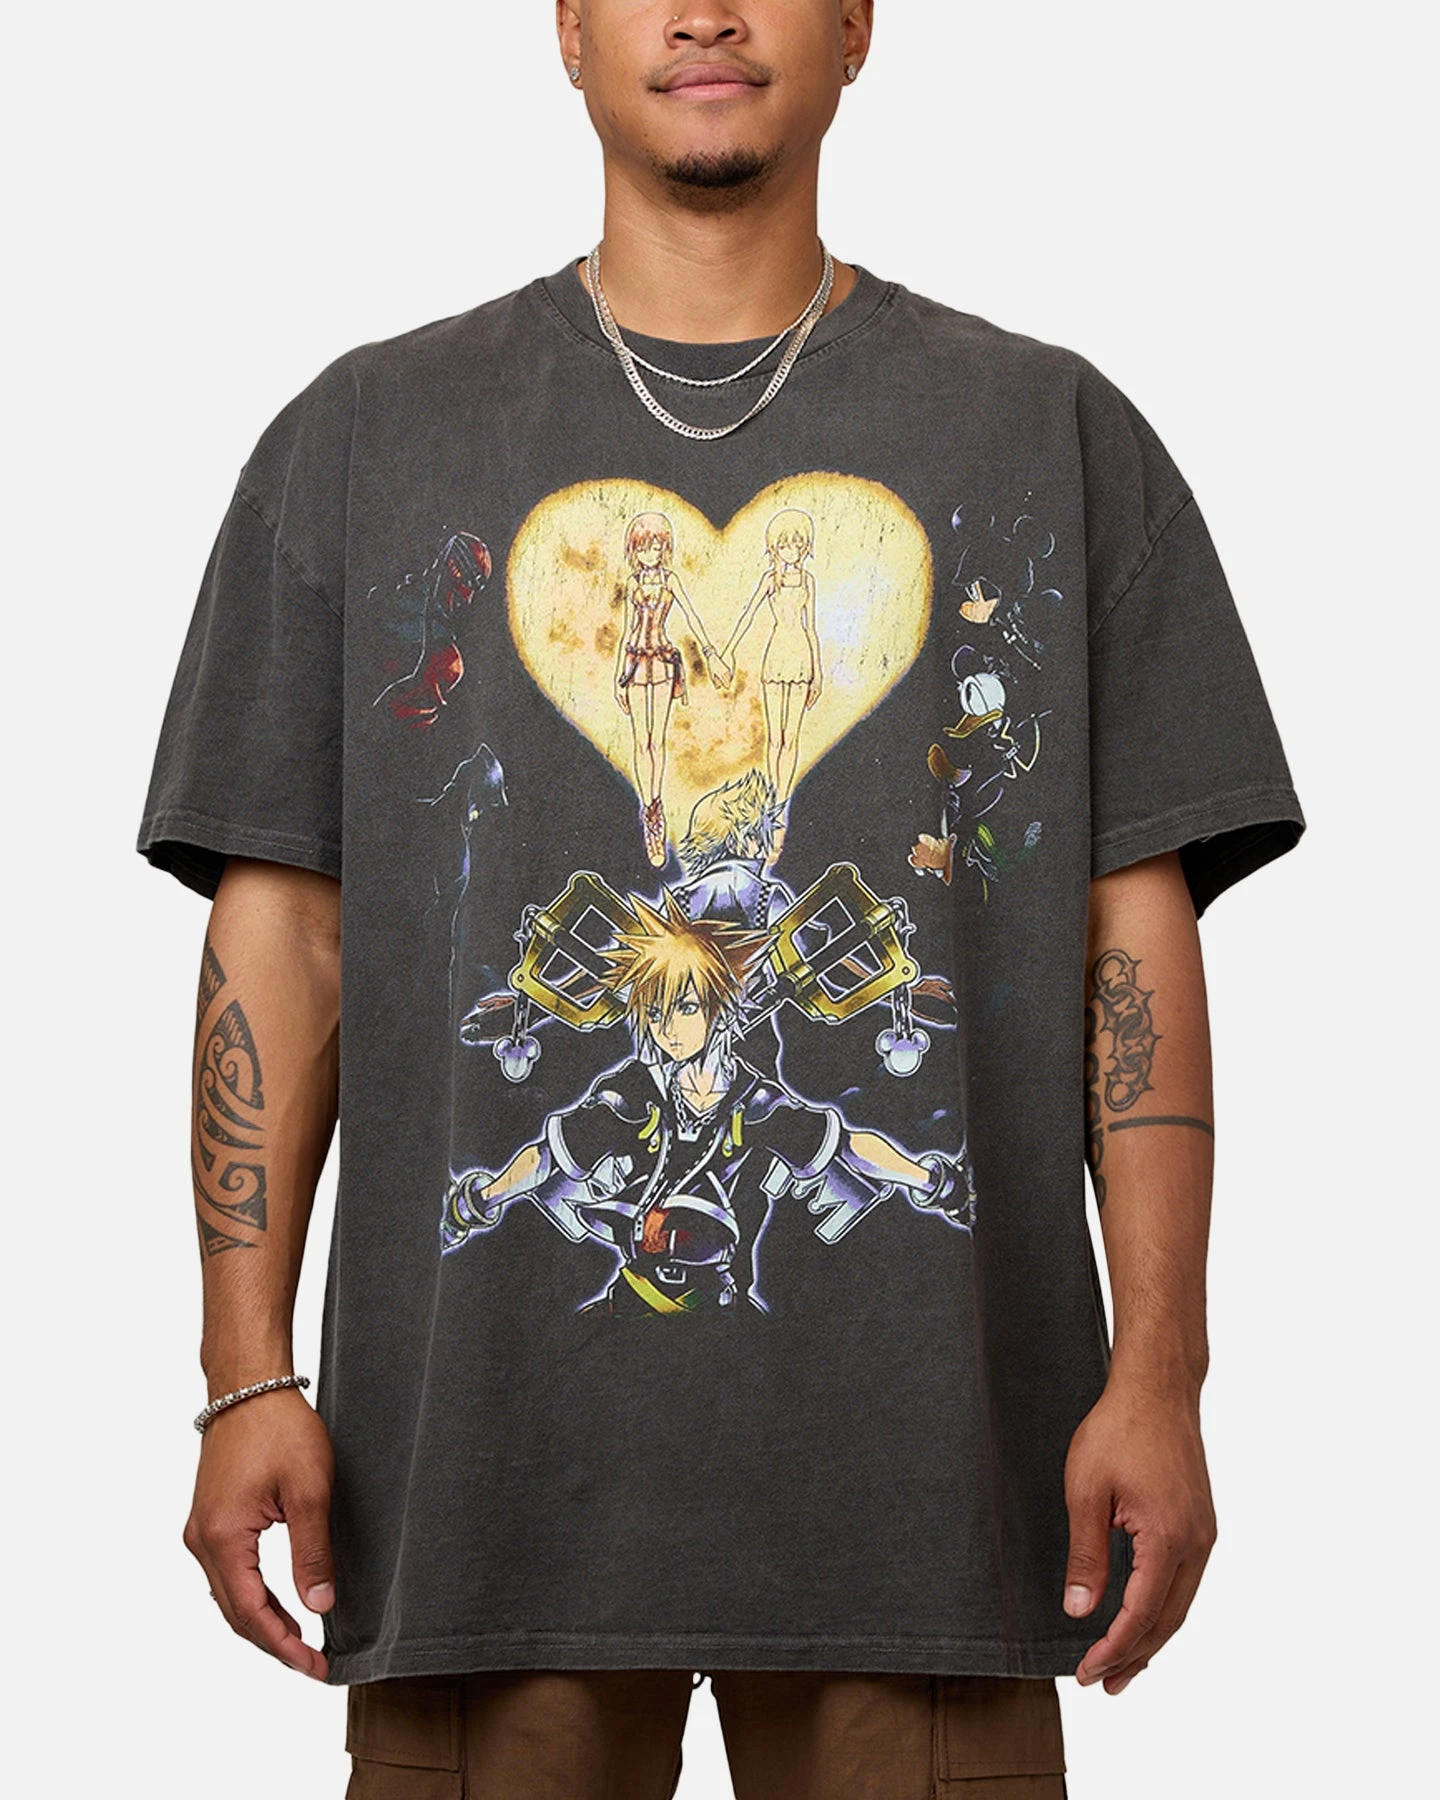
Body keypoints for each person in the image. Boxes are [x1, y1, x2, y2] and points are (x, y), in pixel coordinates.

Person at [136, 3, 1304, 1795]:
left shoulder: (1048, 431)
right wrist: (244, 1373)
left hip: (931, 1503)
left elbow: (1126, 941)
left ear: (855, 26)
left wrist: (1162, 1375)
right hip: (478, 1503)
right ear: (567, 27)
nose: (703, 10)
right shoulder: (366, 436)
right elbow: (282, 936)